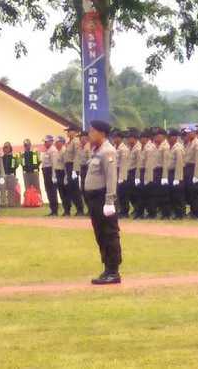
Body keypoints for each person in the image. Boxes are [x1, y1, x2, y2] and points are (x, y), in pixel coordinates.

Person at [84, 120, 122, 285]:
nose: (89, 134)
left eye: (92, 131)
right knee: (100, 234)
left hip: (102, 198)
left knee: (109, 234)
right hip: (94, 199)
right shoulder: (96, 151)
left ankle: (113, 271)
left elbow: (111, 177)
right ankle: (107, 268)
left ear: (102, 133)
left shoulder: (108, 151)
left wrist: (109, 201)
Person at [64, 126, 86, 216]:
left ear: (74, 132)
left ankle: (80, 209)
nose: (67, 133)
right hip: (69, 166)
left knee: (76, 189)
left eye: (69, 131)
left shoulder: (76, 142)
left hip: (73, 166)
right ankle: (78, 209)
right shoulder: (69, 142)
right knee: (71, 189)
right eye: (67, 131)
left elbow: (77, 156)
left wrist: (75, 170)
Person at [183, 128, 198, 219]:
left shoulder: (197, 144)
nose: (187, 135)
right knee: (190, 192)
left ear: (193, 133)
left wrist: (196, 175)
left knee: (196, 192)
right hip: (188, 168)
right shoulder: (188, 144)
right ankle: (193, 211)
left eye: (188, 133)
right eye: (186, 134)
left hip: (194, 168)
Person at [167, 129, 186, 219]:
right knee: (172, 194)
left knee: (178, 195)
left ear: (175, 137)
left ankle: (180, 213)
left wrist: (177, 178)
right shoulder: (170, 147)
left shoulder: (178, 148)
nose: (168, 139)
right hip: (170, 172)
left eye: (170, 137)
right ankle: (175, 212)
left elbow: (179, 163)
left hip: (176, 173)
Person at [40, 135, 59, 216]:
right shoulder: (46, 150)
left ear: (51, 141)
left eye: (46, 141)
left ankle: (55, 210)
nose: (44, 143)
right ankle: (52, 209)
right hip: (46, 172)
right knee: (48, 191)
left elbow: (54, 164)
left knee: (52, 192)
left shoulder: (53, 150)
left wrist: (54, 176)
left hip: (50, 172)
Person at [115, 131, 131, 217]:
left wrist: (121, 177)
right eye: (114, 137)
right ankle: (119, 210)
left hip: (122, 172)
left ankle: (125, 211)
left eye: (116, 137)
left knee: (123, 193)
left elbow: (123, 163)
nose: (115, 139)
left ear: (121, 138)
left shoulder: (123, 149)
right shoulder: (114, 147)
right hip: (115, 171)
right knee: (117, 193)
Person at [52, 136, 69, 215]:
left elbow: (66, 165)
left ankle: (67, 210)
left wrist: (66, 176)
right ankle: (65, 209)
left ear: (62, 142)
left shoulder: (64, 151)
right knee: (61, 193)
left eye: (57, 142)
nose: (56, 144)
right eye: (55, 143)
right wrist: (54, 175)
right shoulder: (57, 151)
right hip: (58, 172)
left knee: (65, 193)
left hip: (63, 173)